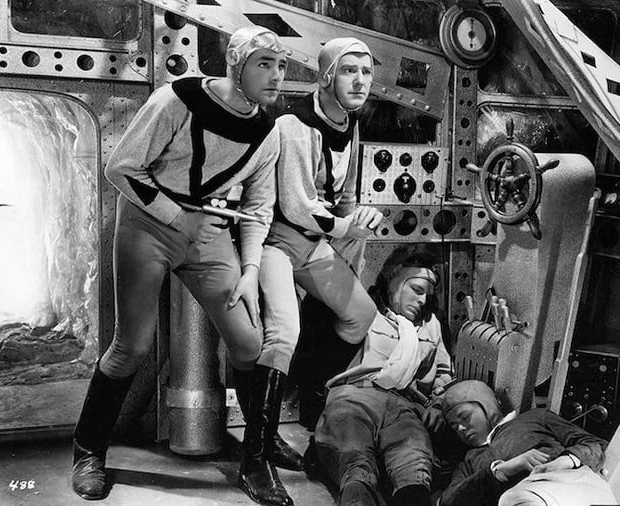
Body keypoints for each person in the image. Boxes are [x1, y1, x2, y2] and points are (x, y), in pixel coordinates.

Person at [70, 26, 288, 501]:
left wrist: (251, 270)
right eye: (264, 64)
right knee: (131, 346)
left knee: (249, 343)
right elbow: (120, 167)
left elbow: (258, 207)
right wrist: (179, 218)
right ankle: (88, 452)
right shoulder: (177, 99)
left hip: (207, 235)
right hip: (147, 224)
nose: (276, 76)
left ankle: (257, 459)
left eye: (282, 65)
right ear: (235, 63)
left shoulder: (267, 130)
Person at [239, 36, 384, 505]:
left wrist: (361, 216)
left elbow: (346, 197)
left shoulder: (350, 123)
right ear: (326, 76)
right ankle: (254, 460)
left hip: (313, 242)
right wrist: (344, 226)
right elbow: (298, 205)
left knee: (360, 315)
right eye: (349, 71)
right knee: (283, 332)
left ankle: (312, 399)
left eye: (366, 71)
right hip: (276, 240)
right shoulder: (295, 124)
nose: (360, 81)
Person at [312, 253, 454, 506]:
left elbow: (444, 374)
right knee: (355, 460)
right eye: (417, 290)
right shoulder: (364, 311)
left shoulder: (431, 325)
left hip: (404, 405)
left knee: (414, 463)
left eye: (428, 296)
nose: (423, 300)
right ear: (393, 283)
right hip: (355, 396)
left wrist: (439, 403)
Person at [439, 379, 617, 506]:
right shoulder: (469, 462)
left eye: (465, 417)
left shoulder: (535, 418)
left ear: (487, 406)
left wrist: (565, 461)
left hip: (569, 485)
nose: (460, 428)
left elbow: (596, 444)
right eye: (454, 426)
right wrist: (499, 471)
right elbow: (448, 501)